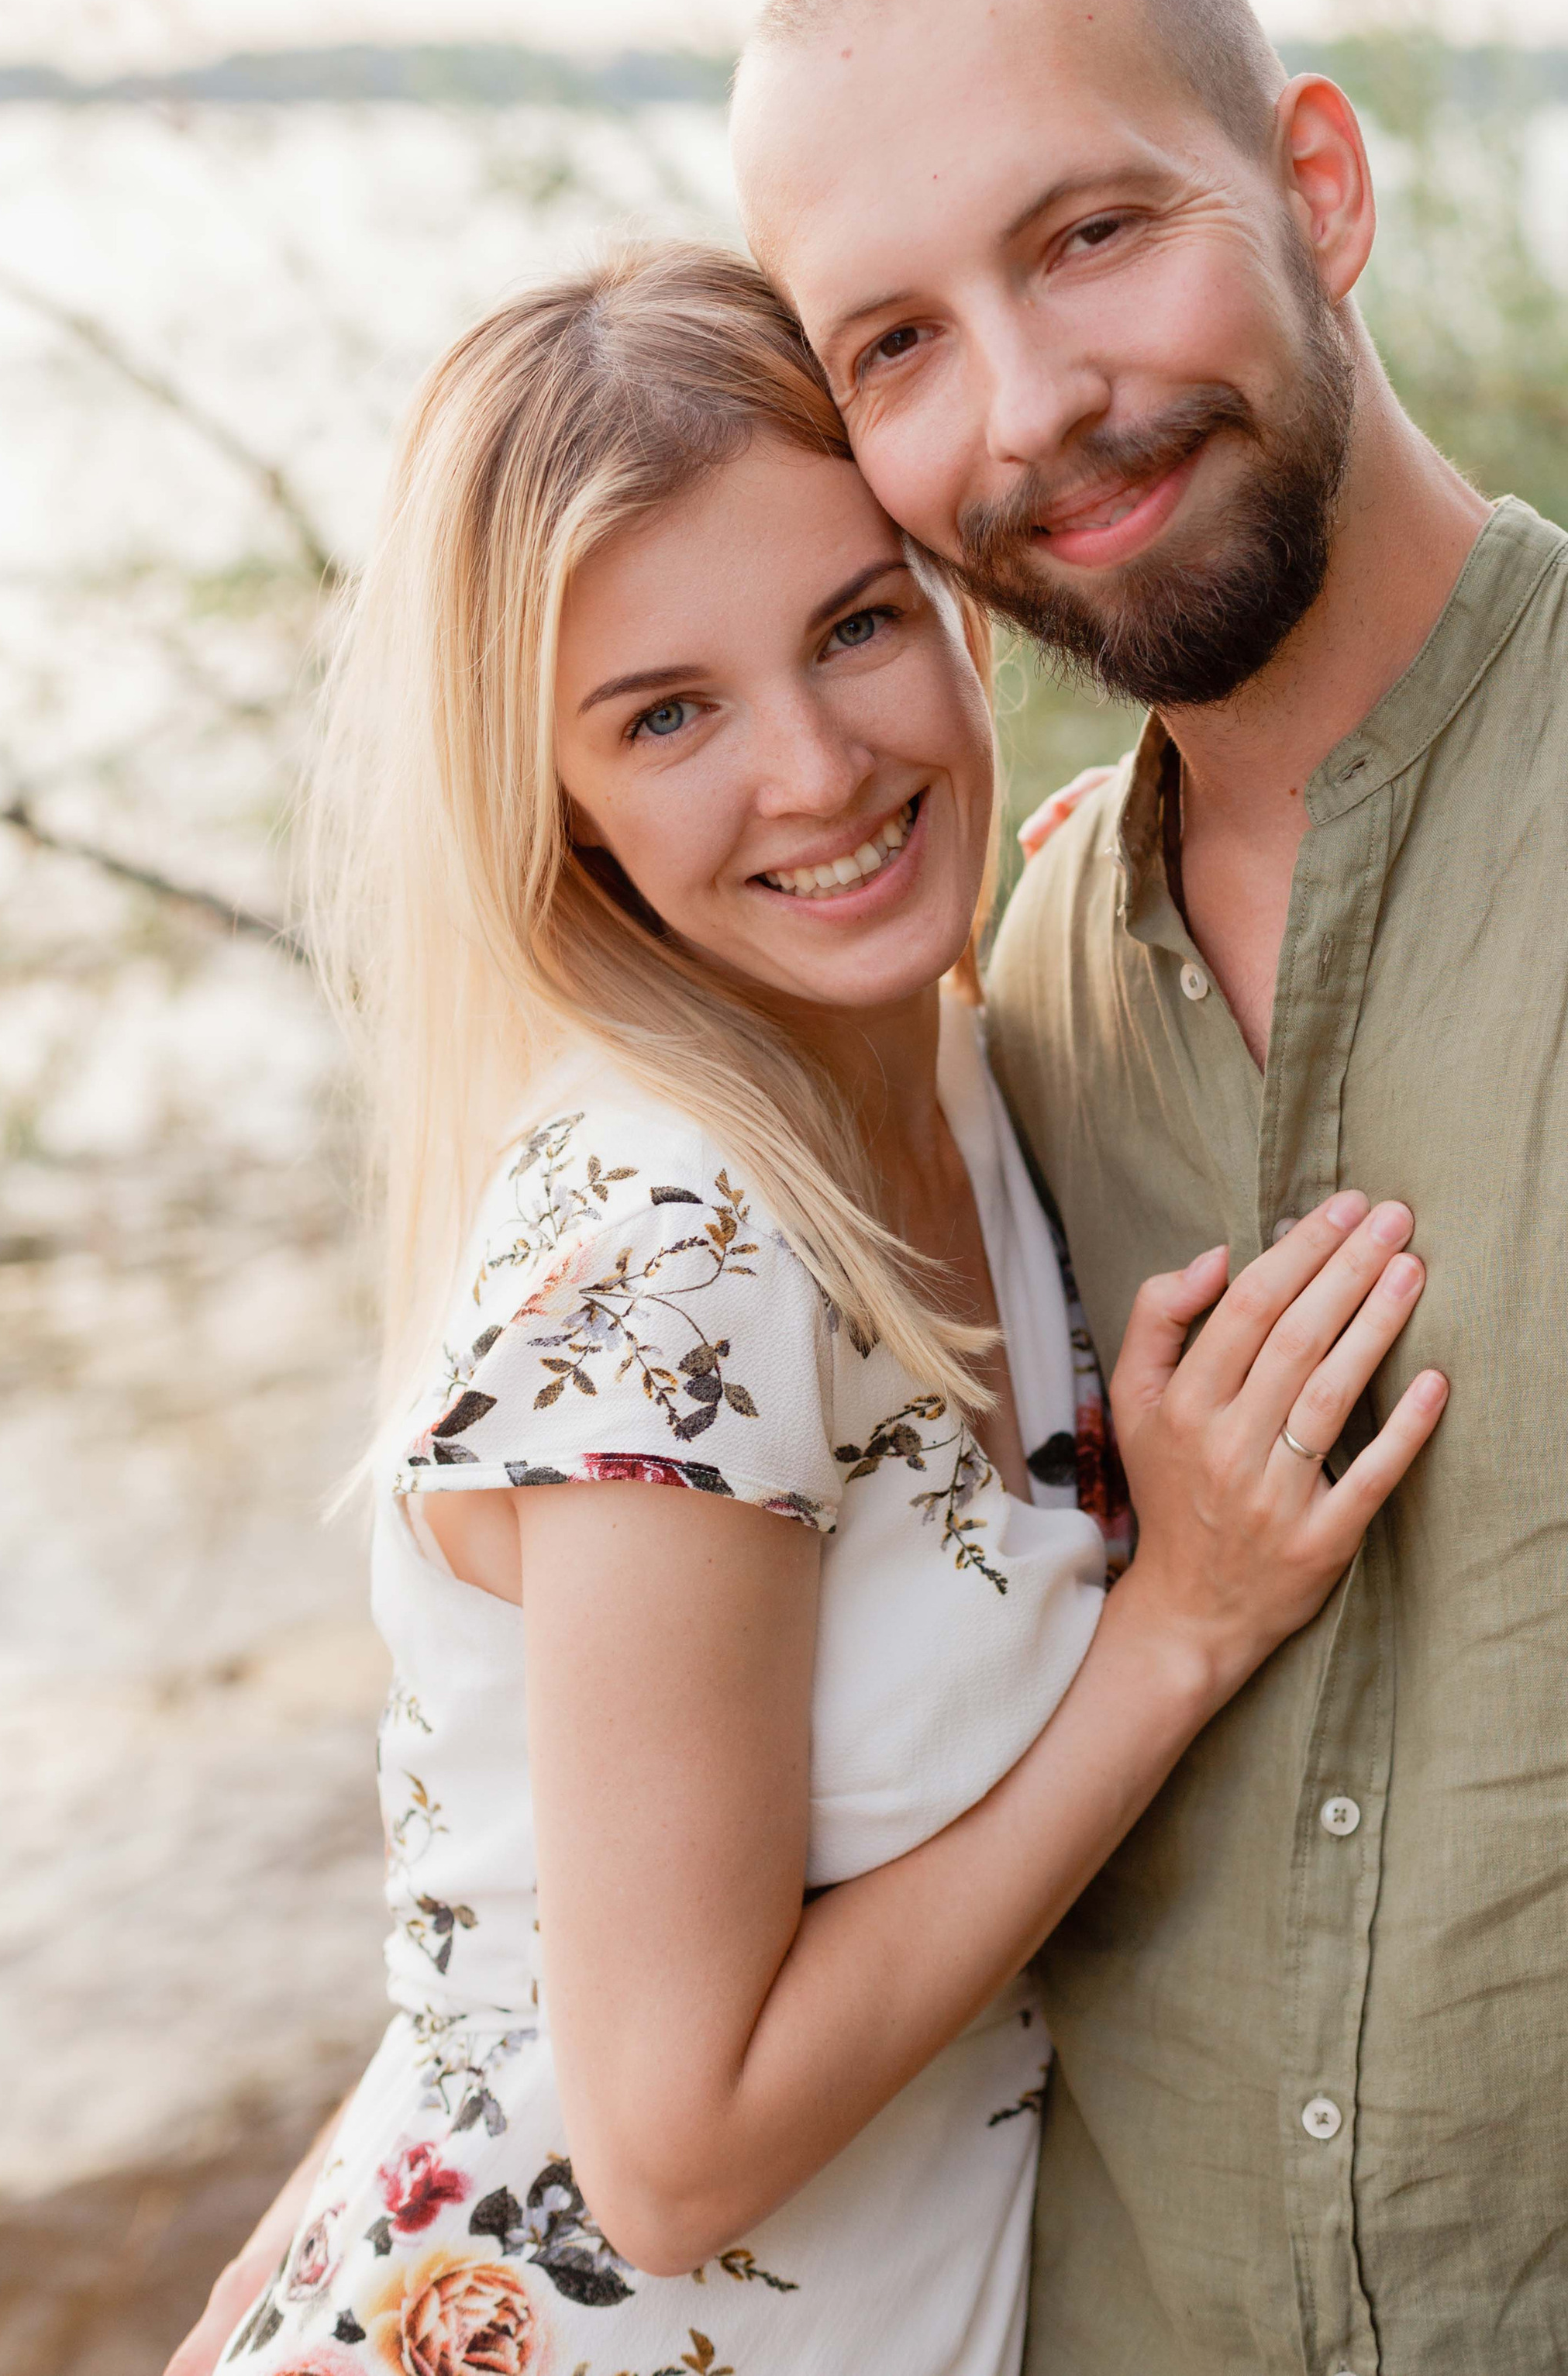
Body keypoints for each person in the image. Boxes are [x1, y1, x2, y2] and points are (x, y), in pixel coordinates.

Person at [729, 0, 1568, 2374]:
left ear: (1318, 187)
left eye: (1090, 236)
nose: (1034, 400)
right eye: (899, 346)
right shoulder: (1000, 1007)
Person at [166, 243, 1446, 2376]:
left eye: (858, 627)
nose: (820, 770)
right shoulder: (680, 1243)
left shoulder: (947, 1052)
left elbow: (522, 1914)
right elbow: (668, 2158)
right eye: (667, 715)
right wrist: (1181, 1631)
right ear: (545, 792)